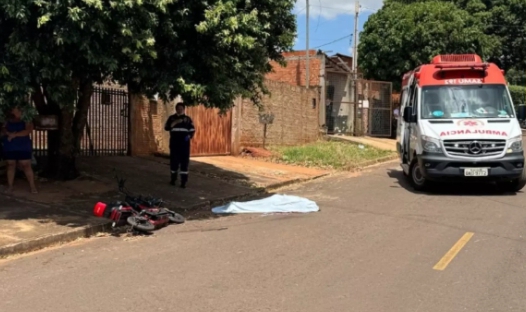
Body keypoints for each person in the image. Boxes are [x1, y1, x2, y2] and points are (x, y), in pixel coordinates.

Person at [1, 107, 37, 194]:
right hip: (10, 145)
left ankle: (32, 186)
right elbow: (3, 128)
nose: (13, 110)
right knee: (10, 165)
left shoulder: (26, 119)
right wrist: (8, 133)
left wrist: (14, 135)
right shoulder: (8, 119)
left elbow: (28, 131)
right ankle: (10, 186)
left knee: (26, 165)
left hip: (23, 145)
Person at [164, 102, 195, 188]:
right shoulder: (171, 118)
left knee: (184, 163)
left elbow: (192, 130)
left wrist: (189, 136)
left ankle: (183, 182)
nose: (179, 110)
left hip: (184, 145)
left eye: (181, 108)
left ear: (184, 109)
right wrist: (176, 122)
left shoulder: (188, 119)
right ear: (176, 109)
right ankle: (173, 179)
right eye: (178, 108)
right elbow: (166, 127)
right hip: (174, 144)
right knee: (174, 162)